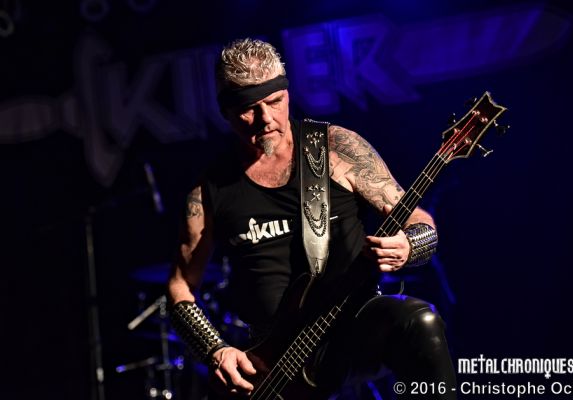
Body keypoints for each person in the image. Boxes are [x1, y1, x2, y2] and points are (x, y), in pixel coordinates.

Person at [168, 38, 456, 399]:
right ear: (226, 112)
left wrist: (409, 245)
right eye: (249, 109)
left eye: (275, 101)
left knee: (420, 322)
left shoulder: (335, 149)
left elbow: (418, 219)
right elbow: (180, 286)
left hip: (352, 324)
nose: (266, 119)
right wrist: (215, 350)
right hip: (272, 367)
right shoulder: (209, 189)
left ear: (288, 94)